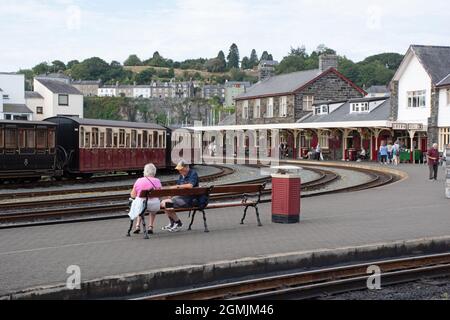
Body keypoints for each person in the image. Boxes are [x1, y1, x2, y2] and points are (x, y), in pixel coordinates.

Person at [160, 160, 199, 232]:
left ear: (186, 167)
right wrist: (171, 195)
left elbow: (190, 185)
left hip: (189, 200)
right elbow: (179, 188)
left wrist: (177, 186)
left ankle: (178, 223)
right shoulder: (182, 175)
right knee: (163, 202)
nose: (179, 171)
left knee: (166, 203)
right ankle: (173, 223)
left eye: (181, 169)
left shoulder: (193, 174)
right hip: (181, 197)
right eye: (179, 170)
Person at [130, 164, 162, 234]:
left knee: (140, 204)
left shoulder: (139, 180)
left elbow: (133, 195)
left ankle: (137, 226)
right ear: (154, 172)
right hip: (155, 205)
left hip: (141, 205)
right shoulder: (157, 181)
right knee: (151, 209)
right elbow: (160, 194)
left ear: (145, 171)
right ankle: (150, 226)